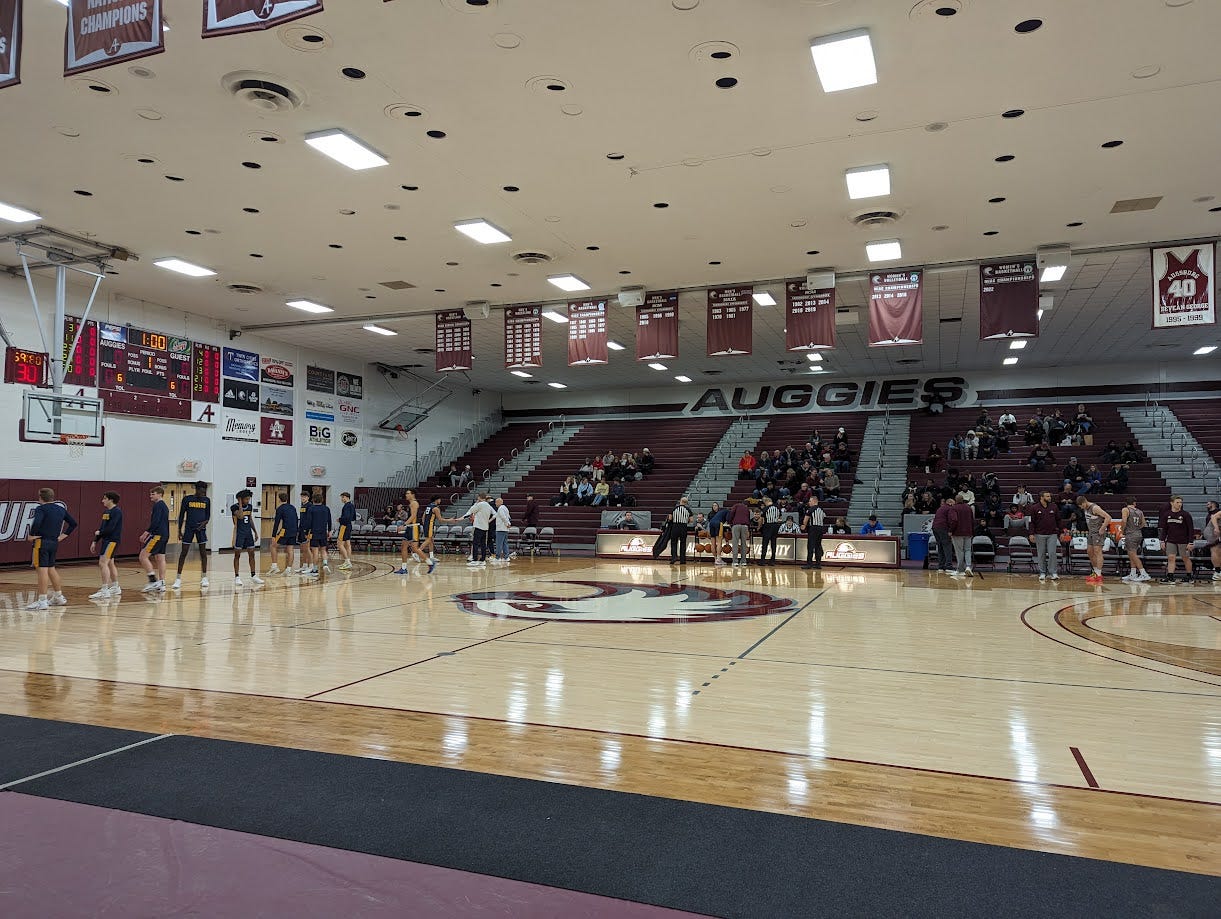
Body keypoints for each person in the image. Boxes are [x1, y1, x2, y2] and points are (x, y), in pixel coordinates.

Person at [25, 488, 77, 610]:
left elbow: (37, 522)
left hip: (41, 542)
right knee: (51, 569)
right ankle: (58, 596)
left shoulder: (41, 509)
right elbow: (73, 523)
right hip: (54, 542)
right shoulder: (60, 509)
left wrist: (32, 534)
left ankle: (42, 601)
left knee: (42, 571)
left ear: (40, 497)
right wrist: (63, 536)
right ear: (52, 497)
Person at [173, 481, 211, 589]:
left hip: (201, 529)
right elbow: (181, 515)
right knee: (183, 553)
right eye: (201, 491)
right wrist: (179, 530)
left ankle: (204, 577)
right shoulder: (187, 499)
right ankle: (178, 579)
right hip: (189, 528)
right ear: (197, 489)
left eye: (204, 491)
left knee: (203, 553)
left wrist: (203, 524)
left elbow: (207, 516)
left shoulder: (207, 500)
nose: (203, 493)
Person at [88, 492, 123, 600]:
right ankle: (116, 587)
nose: (102, 501)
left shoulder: (117, 511)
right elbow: (102, 527)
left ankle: (104, 590)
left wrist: (99, 533)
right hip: (106, 540)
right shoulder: (106, 511)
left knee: (103, 563)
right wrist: (95, 541)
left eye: (104, 499)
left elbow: (110, 528)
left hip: (112, 541)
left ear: (111, 500)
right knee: (110, 563)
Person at [138, 485, 171, 594]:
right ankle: (162, 583)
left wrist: (146, 533)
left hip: (157, 535)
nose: (150, 496)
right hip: (165, 535)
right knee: (160, 558)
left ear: (160, 494)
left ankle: (153, 581)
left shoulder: (158, 505)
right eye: (150, 494)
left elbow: (155, 522)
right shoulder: (164, 506)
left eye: (153, 494)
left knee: (143, 556)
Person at [230, 489, 264, 588]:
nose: (248, 501)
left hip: (248, 533)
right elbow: (240, 516)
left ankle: (253, 575)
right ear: (240, 499)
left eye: (249, 499)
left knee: (252, 554)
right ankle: (237, 577)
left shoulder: (250, 506)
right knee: (237, 555)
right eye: (246, 499)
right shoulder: (234, 507)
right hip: (239, 533)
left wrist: (255, 532)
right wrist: (240, 503)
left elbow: (250, 519)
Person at [1077, 496, 1113, 585]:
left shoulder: (1095, 508)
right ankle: (1095, 572)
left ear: (1084, 503)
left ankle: (1099, 575)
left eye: (1081, 506)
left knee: (1097, 552)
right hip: (1091, 532)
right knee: (1089, 552)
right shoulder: (1086, 508)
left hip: (1098, 533)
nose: (1081, 508)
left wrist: (1102, 528)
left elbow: (1108, 517)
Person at [1158, 496, 1194, 584]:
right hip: (1171, 540)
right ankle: (1170, 577)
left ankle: (1189, 576)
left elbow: (1191, 529)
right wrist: (1162, 540)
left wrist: (1191, 542)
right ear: (1172, 503)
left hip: (1183, 541)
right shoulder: (1167, 514)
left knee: (1185, 558)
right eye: (1177, 502)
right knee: (1171, 558)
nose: (1179, 504)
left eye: (1181, 502)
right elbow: (1164, 529)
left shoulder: (1186, 514)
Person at [1027, 490, 1061, 583]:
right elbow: (1031, 522)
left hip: (1052, 534)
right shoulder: (1034, 508)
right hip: (1039, 534)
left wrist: (1061, 532)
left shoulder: (1054, 506)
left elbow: (1058, 520)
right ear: (1041, 497)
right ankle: (1042, 572)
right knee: (1041, 554)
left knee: (1052, 553)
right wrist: (1031, 533)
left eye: (1049, 496)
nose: (1049, 498)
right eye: (1047, 496)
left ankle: (1053, 572)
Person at [394, 489, 426, 574]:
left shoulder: (414, 503)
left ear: (413, 494)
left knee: (415, 548)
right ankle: (404, 568)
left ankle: (430, 562)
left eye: (408, 493)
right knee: (403, 546)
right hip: (410, 527)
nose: (406, 495)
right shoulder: (411, 504)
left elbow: (413, 516)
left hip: (414, 527)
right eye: (406, 493)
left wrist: (403, 525)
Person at [267, 492, 299, 575]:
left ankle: (274, 567)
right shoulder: (293, 507)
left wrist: (273, 535)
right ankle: (288, 570)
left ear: (279, 499)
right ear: (287, 499)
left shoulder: (280, 508)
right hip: (294, 530)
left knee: (273, 546)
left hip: (285, 530)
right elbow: (296, 519)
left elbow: (276, 523)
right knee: (290, 549)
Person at [1120, 497, 1151, 583]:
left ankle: (1143, 573)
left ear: (1126, 503)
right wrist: (1136, 528)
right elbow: (1143, 524)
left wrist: (1122, 530)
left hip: (1130, 534)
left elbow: (1124, 520)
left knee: (1133, 555)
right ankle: (1133, 573)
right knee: (1131, 554)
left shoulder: (1125, 509)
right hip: (1138, 533)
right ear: (1134, 503)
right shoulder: (1140, 511)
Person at [462, 492, 495, 569]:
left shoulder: (480, 504)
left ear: (479, 497)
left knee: (475, 543)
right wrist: (489, 521)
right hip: (485, 527)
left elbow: (471, 510)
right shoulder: (488, 505)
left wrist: (476, 503)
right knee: (483, 544)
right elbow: (495, 514)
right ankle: (482, 560)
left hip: (478, 526)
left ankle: (474, 560)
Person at [949, 493, 975, 578]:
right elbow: (972, 520)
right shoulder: (968, 507)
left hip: (957, 532)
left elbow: (954, 520)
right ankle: (968, 566)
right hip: (968, 532)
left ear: (956, 500)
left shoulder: (954, 508)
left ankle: (960, 569)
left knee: (959, 551)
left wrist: (950, 530)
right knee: (967, 550)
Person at [932, 497, 956, 573]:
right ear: (950, 503)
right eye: (954, 504)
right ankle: (949, 566)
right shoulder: (950, 508)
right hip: (943, 528)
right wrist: (951, 530)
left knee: (940, 547)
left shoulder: (940, 508)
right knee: (947, 547)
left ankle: (941, 567)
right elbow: (953, 520)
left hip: (935, 528)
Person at [802, 496, 826, 570]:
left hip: (813, 528)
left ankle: (809, 564)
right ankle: (818, 564)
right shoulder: (821, 509)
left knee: (810, 546)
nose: (809, 503)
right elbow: (824, 517)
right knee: (818, 545)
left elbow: (805, 520)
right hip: (820, 528)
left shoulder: (810, 509)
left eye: (810, 501)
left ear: (814, 501)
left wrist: (804, 525)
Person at [727, 499, 751, 568]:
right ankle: (743, 561)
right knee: (744, 544)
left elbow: (731, 514)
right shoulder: (747, 509)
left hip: (736, 525)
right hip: (745, 526)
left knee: (735, 544)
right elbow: (748, 519)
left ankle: (735, 561)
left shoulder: (736, 506)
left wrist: (730, 522)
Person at [669, 496, 692, 565]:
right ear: (686, 503)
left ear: (680, 501)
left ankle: (674, 557)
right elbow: (691, 520)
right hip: (683, 527)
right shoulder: (688, 510)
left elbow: (670, 518)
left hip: (675, 526)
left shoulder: (674, 509)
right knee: (683, 543)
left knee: (673, 543)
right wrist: (685, 520)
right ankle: (682, 560)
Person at [758, 496, 781, 566]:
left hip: (768, 526)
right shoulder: (778, 508)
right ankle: (772, 561)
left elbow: (761, 519)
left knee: (765, 544)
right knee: (773, 543)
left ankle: (762, 561)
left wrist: (759, 527)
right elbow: (780, 518)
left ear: (766, 502)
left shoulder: (766, 508)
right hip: (776, 526)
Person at [337, 491, 357, 570]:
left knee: (339, 544)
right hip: (349, 525)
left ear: (346, 497)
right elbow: (354, 517)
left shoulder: (347, 506)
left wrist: (340, 519)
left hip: (344, 526)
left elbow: (347, 517)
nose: (341, 499)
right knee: (348, 544)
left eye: (342, 497)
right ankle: (347, 562)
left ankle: (347, 561)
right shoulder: (352, 506)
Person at [492, 497, 513, 565]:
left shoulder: (500, 508)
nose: (495, 504)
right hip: (505, 529)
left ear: (499, 502)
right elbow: (508, 517)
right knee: (505, 543)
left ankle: (497, 558)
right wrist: (508, 524)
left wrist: (507, 524)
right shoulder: (505, 508)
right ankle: (506, 557)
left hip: (500, 528)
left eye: (496, 502)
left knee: (499, 543)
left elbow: (503, 517)